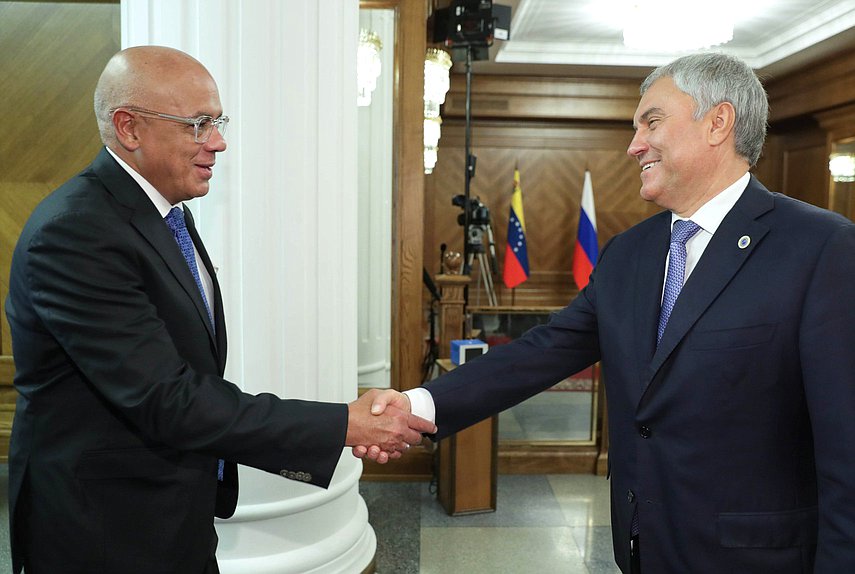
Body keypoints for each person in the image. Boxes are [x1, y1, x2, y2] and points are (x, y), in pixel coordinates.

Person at [360, 52, 855, 573]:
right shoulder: (628, 254)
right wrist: (417, 404)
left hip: (758, 559)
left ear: (718, 122)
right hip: (643, 548)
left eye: (652, 122)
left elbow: (846, 450)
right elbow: (541, 353)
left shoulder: (822, 249)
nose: (634, 144)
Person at [5, 45, 434, 574]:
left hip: (170, 509)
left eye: (218, 121)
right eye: (198, 124)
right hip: (104, 525)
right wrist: (342, 424)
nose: (218, 142)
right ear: (129, 128)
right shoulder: (76, 233)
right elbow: (167, 398)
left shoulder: (160, 214)